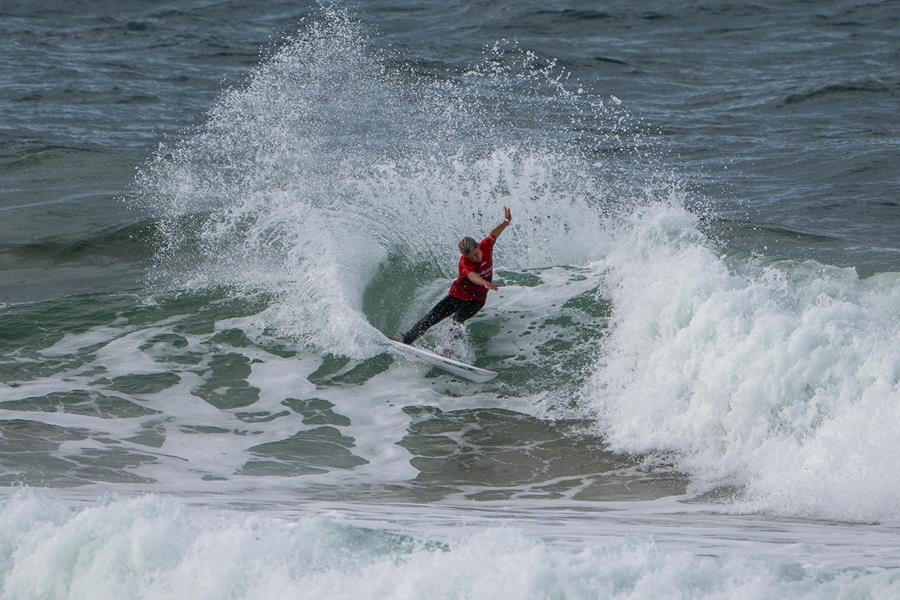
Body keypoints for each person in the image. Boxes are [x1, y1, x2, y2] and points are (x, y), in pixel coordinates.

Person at [398, 207, 512, 346]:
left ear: (478, 246)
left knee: (458, 319)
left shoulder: (486, 246)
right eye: (471, 257)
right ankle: (405, 340)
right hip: (457, 295)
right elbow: (472, 276)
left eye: (476, 254)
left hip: (476, 299)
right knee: (431, 318)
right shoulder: (464, 263)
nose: (475, 259)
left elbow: (493, 234)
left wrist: (506, 221)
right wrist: (484, 282)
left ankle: (447, 350)